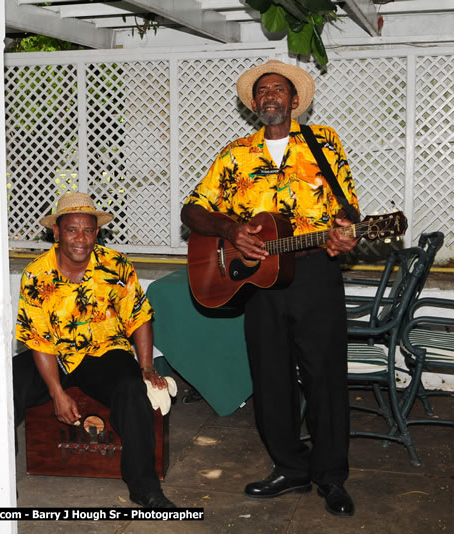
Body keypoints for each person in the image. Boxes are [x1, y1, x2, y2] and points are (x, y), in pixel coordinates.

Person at [180, 60, 359, 517]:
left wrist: (345, 231)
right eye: (262, 93)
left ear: (294, 100)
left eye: (279, 90)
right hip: (260, 281)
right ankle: (289, 468)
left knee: (325, 378)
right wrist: (229, 228)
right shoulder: (235, 154)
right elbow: (192, 211)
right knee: (271, 379)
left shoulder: (324, 143)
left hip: (315, 272)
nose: (270, 97)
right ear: (254, 104)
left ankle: (331, 477)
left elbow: (349, 208)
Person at [0, 191, 175, 509]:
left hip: (105, 352)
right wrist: (57, 392)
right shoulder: (36, 273)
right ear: (56, 232)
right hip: (54, 354)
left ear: (96, 232)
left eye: (88, 230)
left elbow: (139, 317)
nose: (80, 239)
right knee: (7, 383)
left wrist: (145, 366)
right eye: (72, 230)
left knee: (132, 388)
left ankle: (145, 487)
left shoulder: (116, 265)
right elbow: (38, 339)